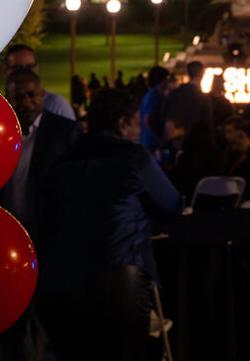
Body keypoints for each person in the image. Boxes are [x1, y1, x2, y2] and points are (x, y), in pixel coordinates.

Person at [36, 89, 183, 361]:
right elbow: (172, 205)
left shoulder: (61, 163)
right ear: (122, 124)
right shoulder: (134, 158)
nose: (140, 130)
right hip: (116, 280)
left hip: (57, 283)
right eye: (137, 122)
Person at [0, 69, 79, 236]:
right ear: (8, 99)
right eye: (18, 97)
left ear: (42, 95)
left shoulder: (66, 132)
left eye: (32, 95)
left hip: (50, 233)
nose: (26, 102)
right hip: (7, 230)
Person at [4, 44, 75, 121]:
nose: (25, 72)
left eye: (29, 67)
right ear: (5, 70)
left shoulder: (56, 106)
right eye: (18, 68)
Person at [163, 61, 214, 135]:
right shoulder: (203, 98)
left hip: (178, 139)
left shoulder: (175, 93)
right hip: (196, 139)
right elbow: (207, 123)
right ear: (202, 74)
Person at [139, 66, 171, 154]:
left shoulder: (149, 95)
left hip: (145, 141)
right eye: (166, 78)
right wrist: (160, 139)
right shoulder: (155, 96)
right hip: (152, 144)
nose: (168, 81)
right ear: (161, 80)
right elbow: (147, 120)